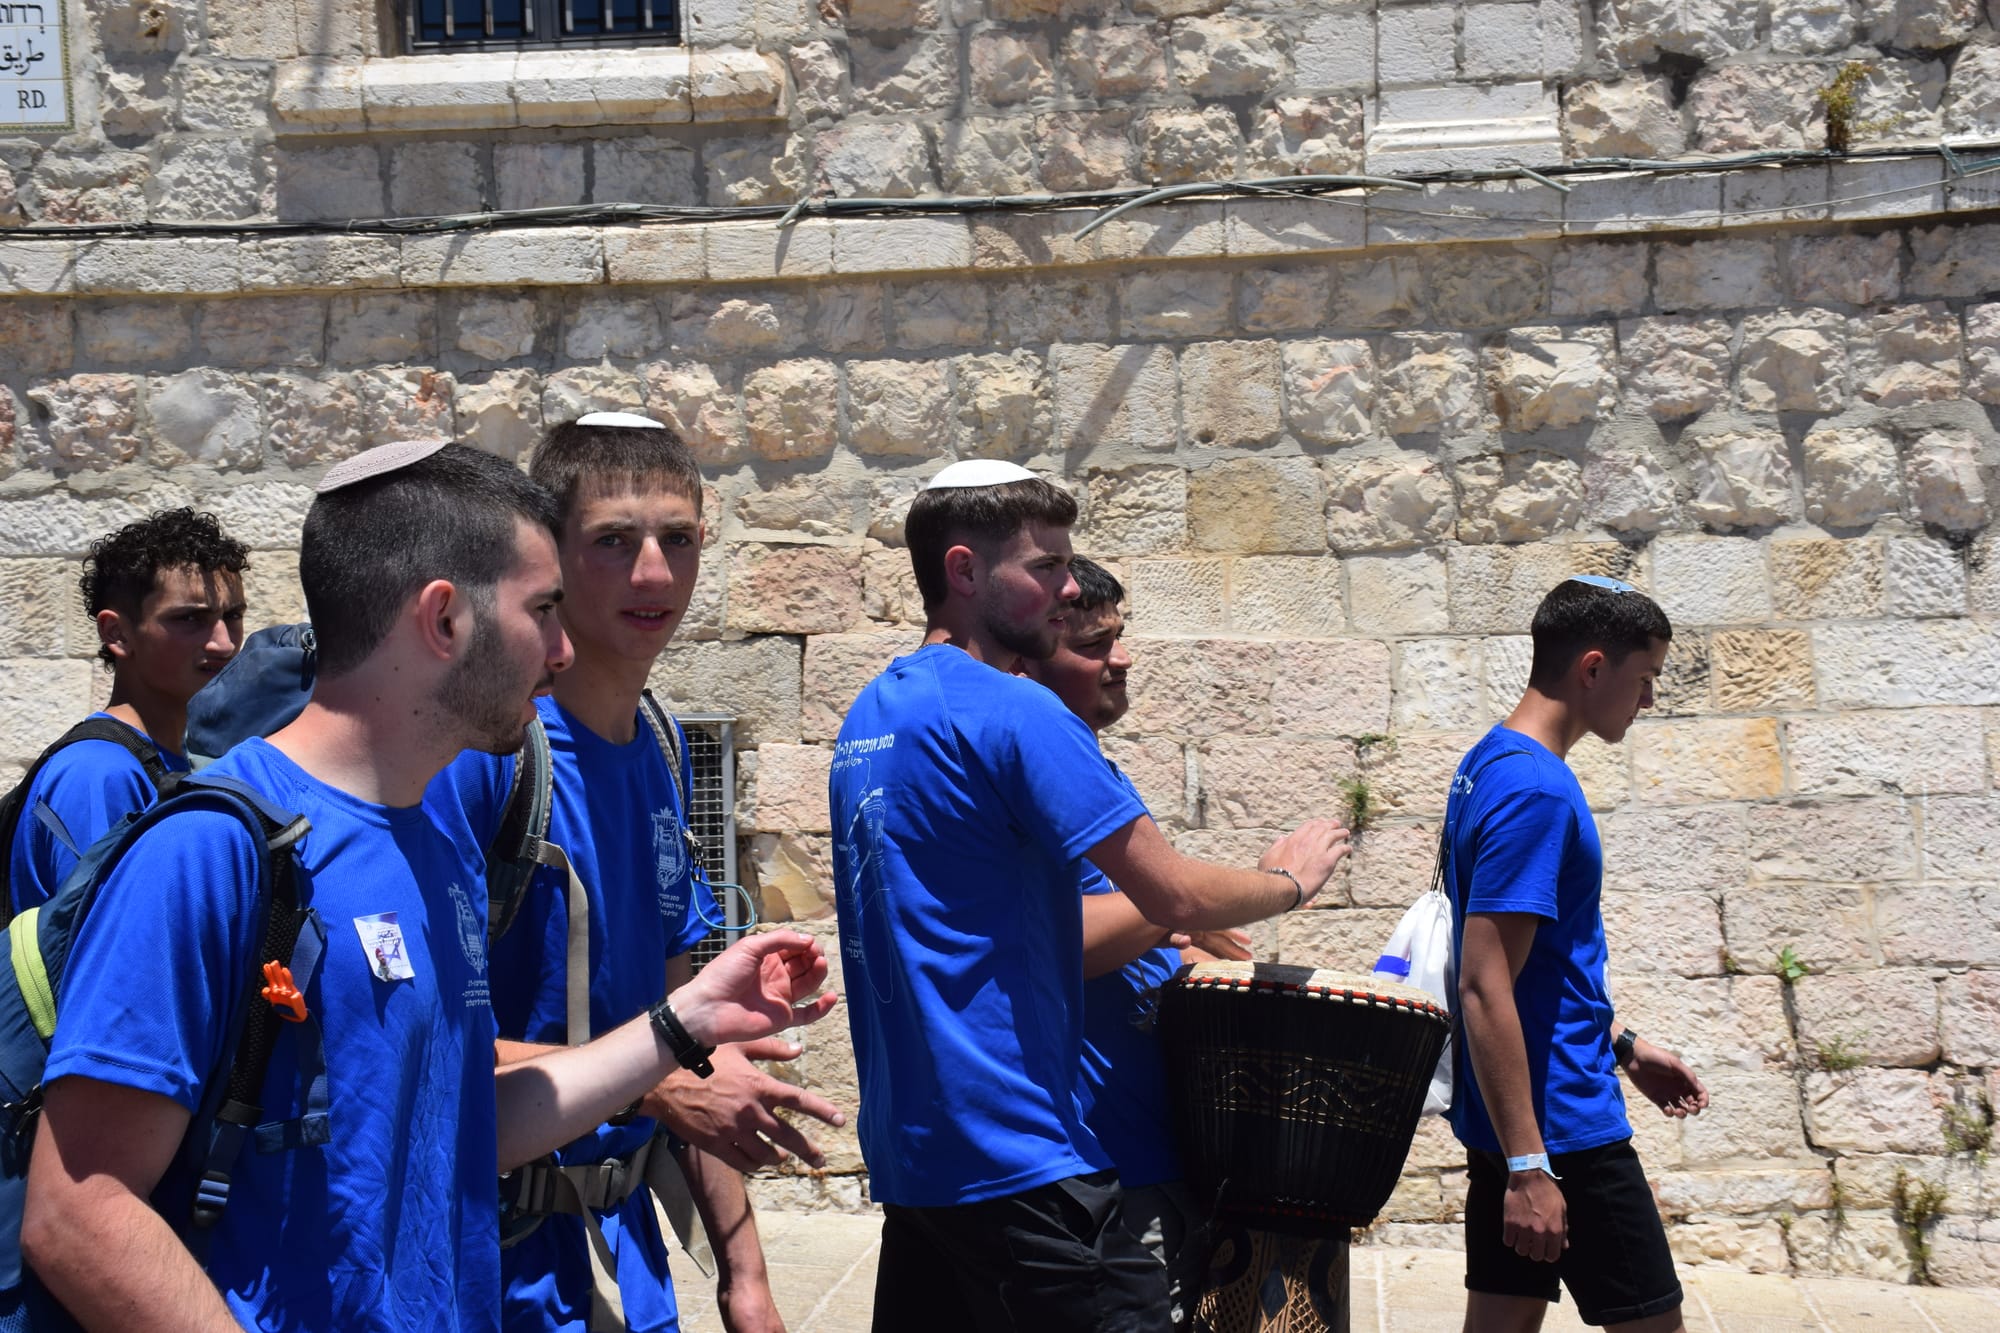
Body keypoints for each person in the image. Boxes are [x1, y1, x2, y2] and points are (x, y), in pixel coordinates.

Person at [21, 440, 836, 1332]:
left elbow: (469, 1114)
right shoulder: (211, 850)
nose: (563, 649)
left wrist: (682, 1023)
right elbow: (80, 1213)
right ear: (444, 618)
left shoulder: (435, 848)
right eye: (543, 609)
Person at [828, 459, 1351, 1333]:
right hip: (1022, 1159)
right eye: (1046, 566)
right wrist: (1287, 880)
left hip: (918, 1168)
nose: (1068, 587)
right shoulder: (1016, 712)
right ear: (964, 570)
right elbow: (1173, 892)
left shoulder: (868, 718)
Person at [429, 413, 844, 1333]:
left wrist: (745, 1277)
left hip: (627, 1273)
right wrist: (652, 1081)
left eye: (678, 540)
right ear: (549, 551)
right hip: (490, 1273)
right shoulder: (485, 757)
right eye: (614, 541)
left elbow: (683, 1025)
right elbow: (414, 1044)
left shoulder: (659, 747)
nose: (654, 574)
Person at [1445, 574, 1709, 1333]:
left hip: (1514, 1120)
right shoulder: (1536, 790)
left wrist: (1621, 1043)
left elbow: (1537, 967)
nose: (1649, 700)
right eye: (1645, 678)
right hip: (1562, 1131)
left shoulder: (1489, 762)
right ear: (1593, 668)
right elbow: (1484, 982)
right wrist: (1532, 1167)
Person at [1020, 555, 1249, 1327]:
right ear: (1030, 659)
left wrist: (1188, 947)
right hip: (1106, 1159)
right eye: (1094, 644)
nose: (1121, 658)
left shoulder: (1100, 771)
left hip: (1161, 1150)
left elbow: (1129, 926)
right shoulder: (1038, 785)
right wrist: (1177, 902)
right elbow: (1068, 941)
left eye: (1119, 636)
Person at [6, 507, 248, 912]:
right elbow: (106, 942)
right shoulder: (99, 773)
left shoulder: (189, 760)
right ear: (117, 633)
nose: (224, 644)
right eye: (190, 618)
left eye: (233, 615)